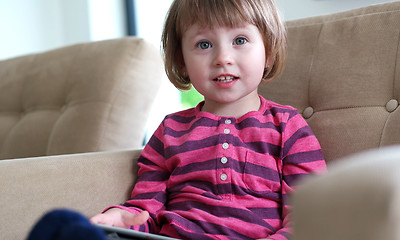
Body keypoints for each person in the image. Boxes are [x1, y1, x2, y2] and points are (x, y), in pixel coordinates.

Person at [91, 0, 326, 239]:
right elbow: (146, 207)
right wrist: (121, 218)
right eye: (204, 44)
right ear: (182, 62)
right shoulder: (170, 130)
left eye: (240, 40)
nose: (222, 58)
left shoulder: (288, 127)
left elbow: (309, 214)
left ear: (268, 52)